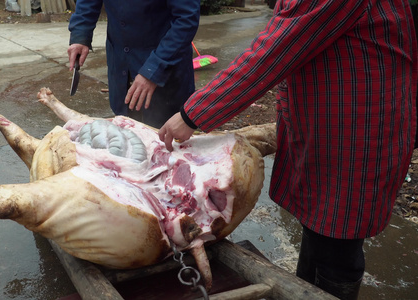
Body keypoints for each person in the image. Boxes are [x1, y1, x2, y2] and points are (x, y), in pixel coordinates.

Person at [159, 1, 417, 299]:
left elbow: (271, 54)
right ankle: (304, 288)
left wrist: (193, 114)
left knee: (337, 242)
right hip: (329, 123)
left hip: (355, 130)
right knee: (320, 229)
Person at [67, 0, 200, 128]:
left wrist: (154, 69)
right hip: (120, 65)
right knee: (126, 132)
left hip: (166, 70)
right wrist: (80, 34)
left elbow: (186, 20)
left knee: (169, 141)